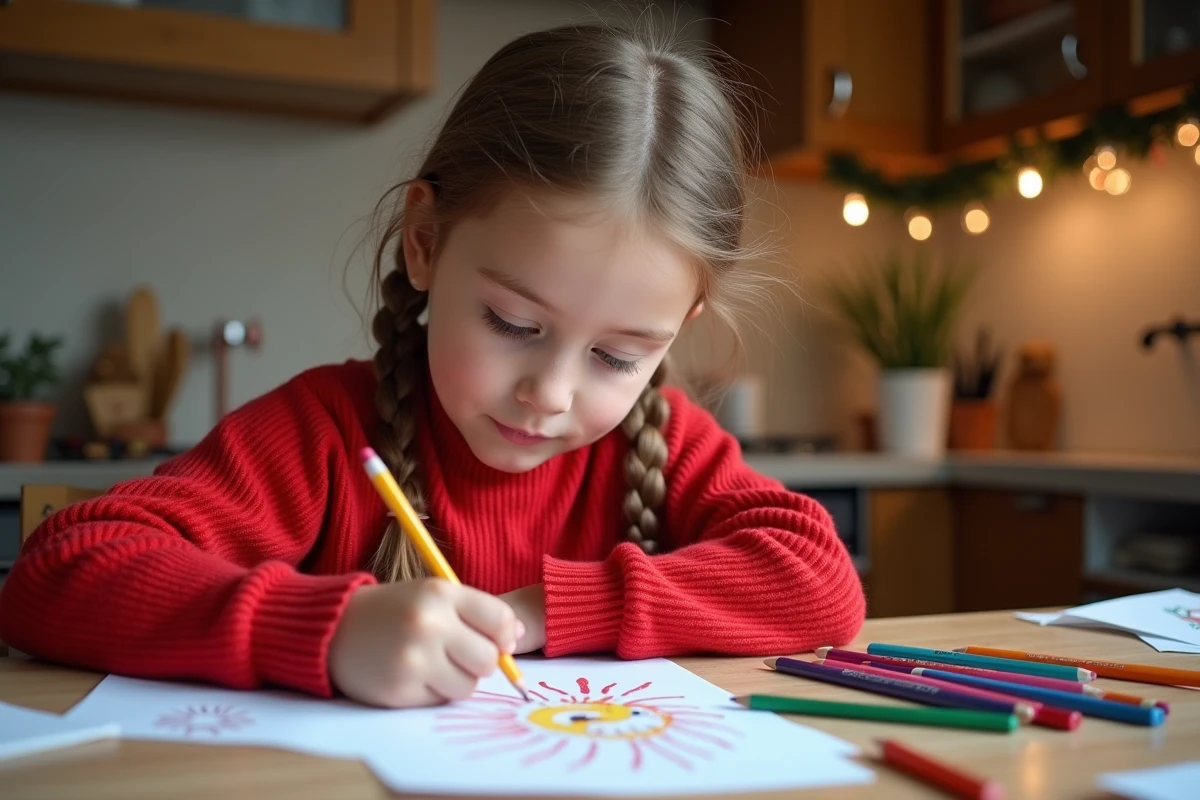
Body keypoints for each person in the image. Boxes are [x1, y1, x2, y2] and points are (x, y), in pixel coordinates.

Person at [0, 23, 865, 709]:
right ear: (424, 242)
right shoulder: (323, 434)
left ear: (677, 331)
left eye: (616, 355)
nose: (551, 394)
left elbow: (822, 585)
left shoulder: (668, 444)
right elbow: (58, 572)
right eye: (513, 322)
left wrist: (539, 612)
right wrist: (323, 632)